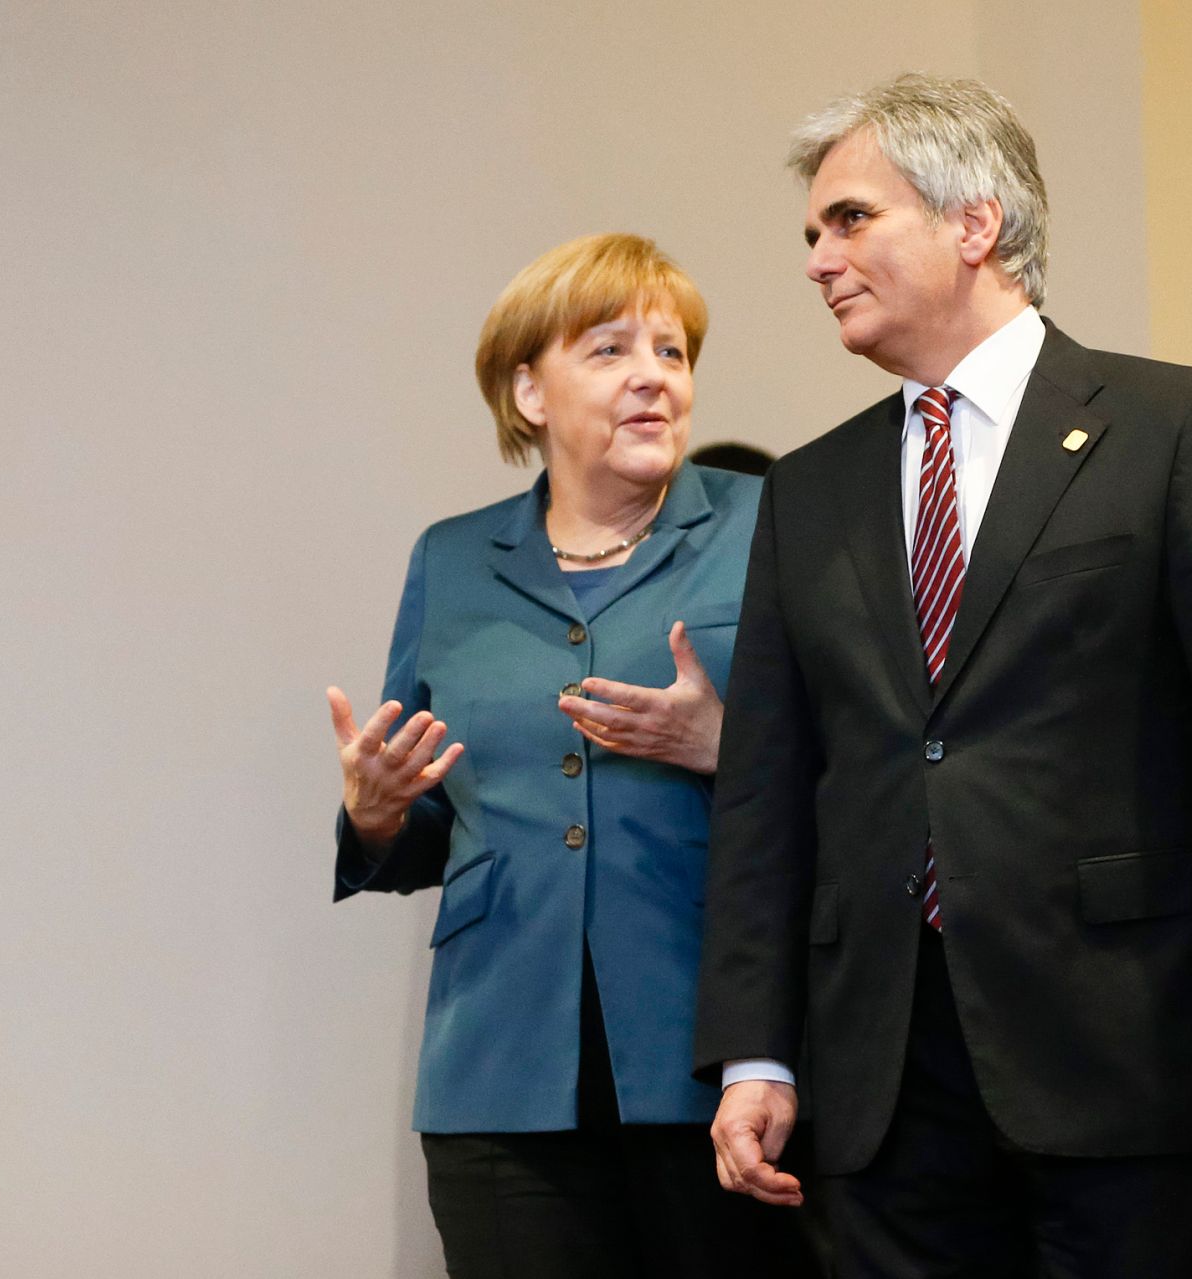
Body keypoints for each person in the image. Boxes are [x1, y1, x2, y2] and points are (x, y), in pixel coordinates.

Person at [693, 73, 1192, 1277]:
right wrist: (754, 1052)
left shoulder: (1174, 429)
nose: (815, 260)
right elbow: (765, 790)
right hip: (882, 1075)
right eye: (810, 232)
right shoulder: (807, 491)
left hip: (1130, 1047)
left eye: (849, 219)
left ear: (974, 222)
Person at [327, 233, 807, 1278]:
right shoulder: (452, 558)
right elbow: (437, 813)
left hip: (718, 1058)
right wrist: (376, 811)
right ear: (528, 391)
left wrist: (722, 747)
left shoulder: (771, 528)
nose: (652, 375)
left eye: (671, 352)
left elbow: (866, 770)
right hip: (500, 1067)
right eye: (609, 349)